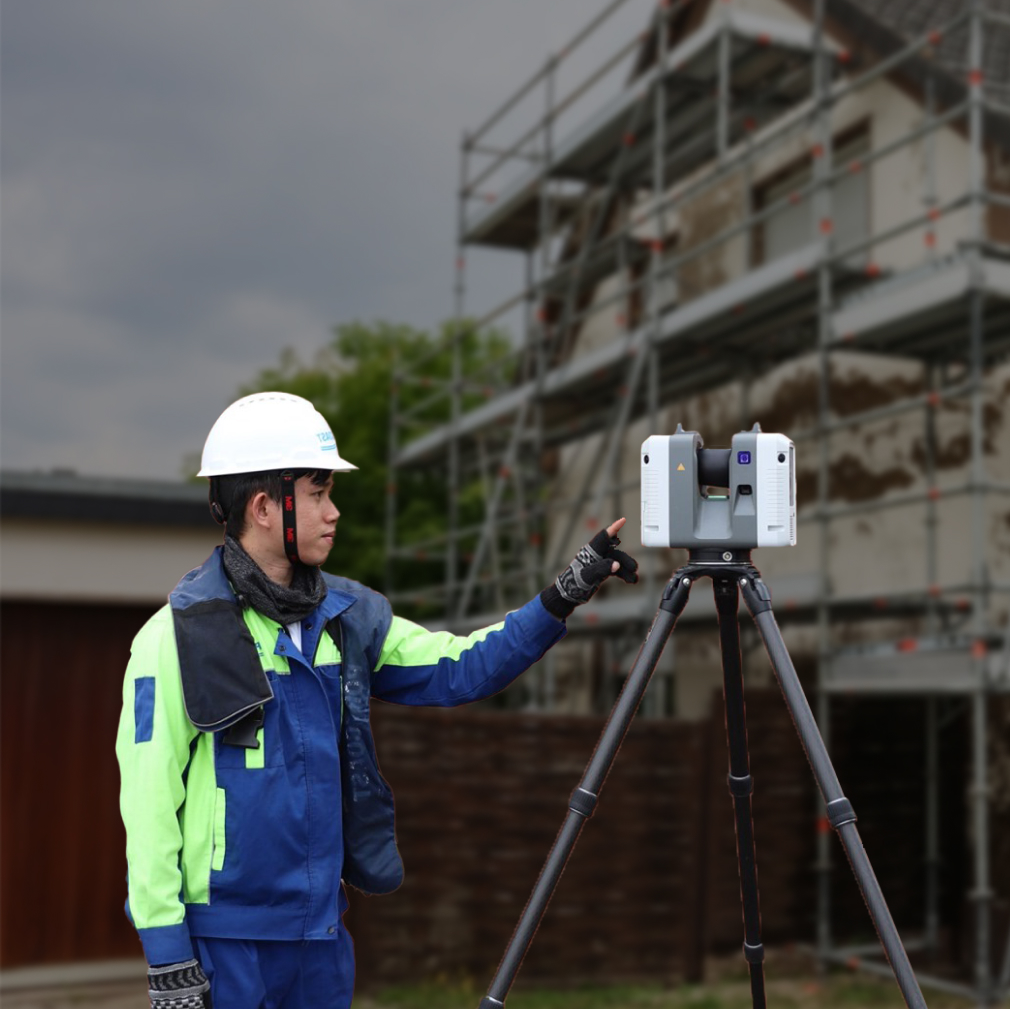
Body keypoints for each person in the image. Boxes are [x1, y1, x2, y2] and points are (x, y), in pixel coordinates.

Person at [118, 392, 637, 1009]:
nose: (334, 512)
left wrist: (563, 595)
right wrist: (169, 958)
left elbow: (463, 668)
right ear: (263, 506)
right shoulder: (173, 639)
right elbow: (148, 806)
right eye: (317, 494)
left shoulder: (348, 620)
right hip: (226, 945)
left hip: (321, 939)